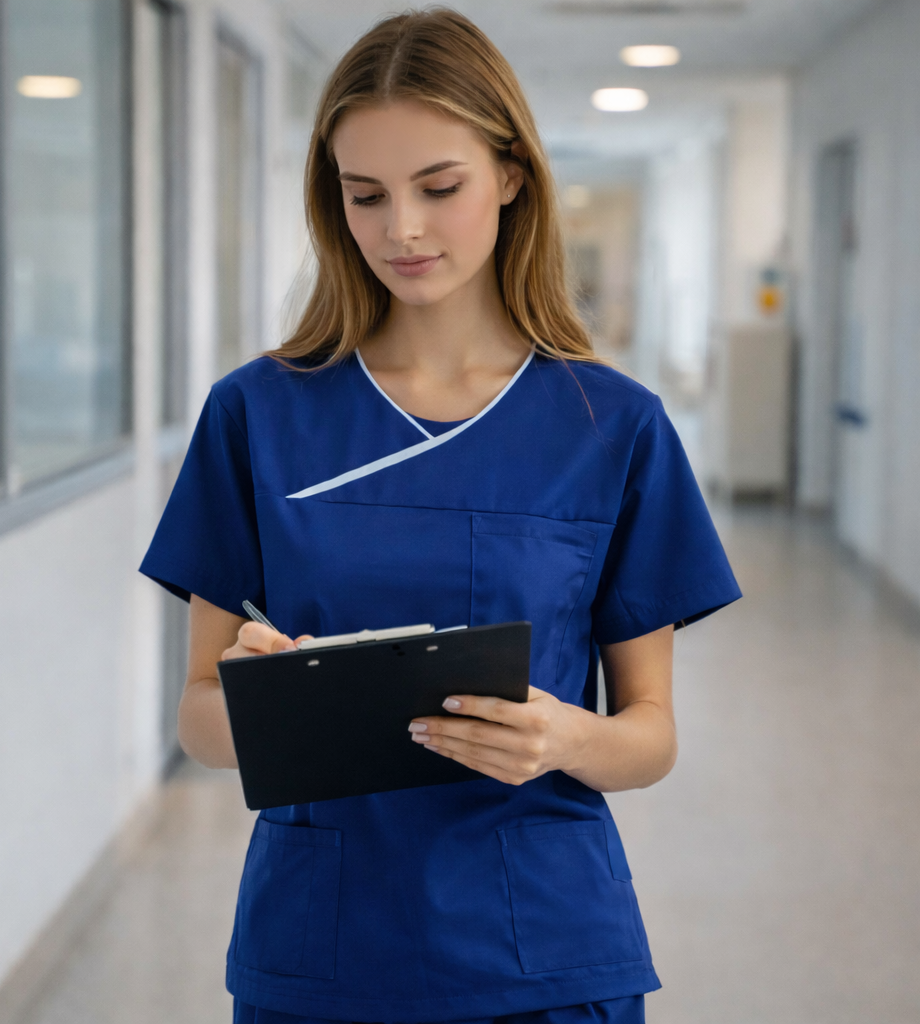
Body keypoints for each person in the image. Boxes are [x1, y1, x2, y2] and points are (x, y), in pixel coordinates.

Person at [140, 9, 741, 1024]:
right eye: (363, 194)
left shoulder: (612, 424)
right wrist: (262, 701)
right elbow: (199, 715)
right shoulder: (259, 413)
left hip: (544, 944)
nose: (400, 229)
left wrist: (560, 738)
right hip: (322, 946)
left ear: (512, 174)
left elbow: (649, 734)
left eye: (438, 187)